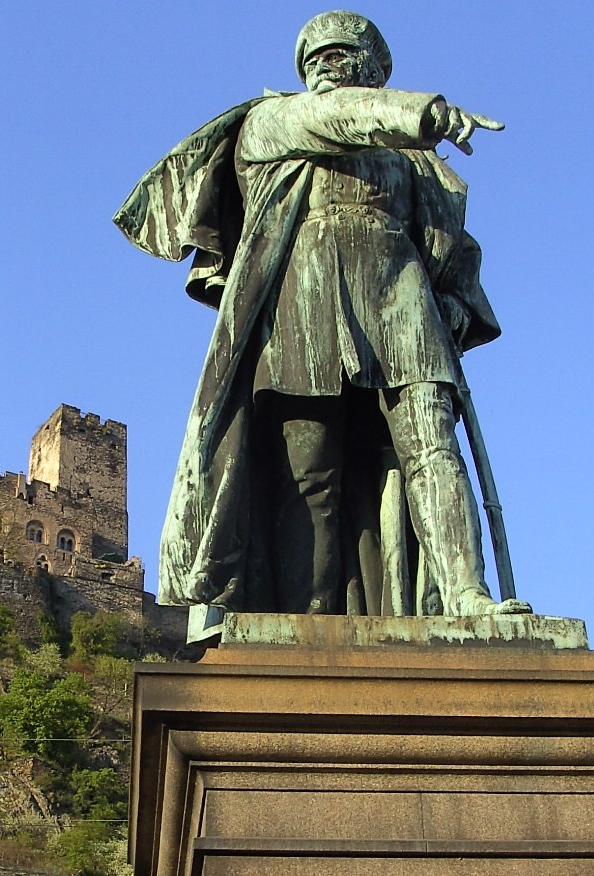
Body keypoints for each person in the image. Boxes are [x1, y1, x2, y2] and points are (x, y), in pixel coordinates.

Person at [115, 10, 531, 618]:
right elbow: (334, 117)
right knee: (308, 472)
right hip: (300, 306)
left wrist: (454, 301)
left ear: (373, 69)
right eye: (315, 57)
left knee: (433, 445)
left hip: (401, 299)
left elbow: (450, 249)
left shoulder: (419, 165)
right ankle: (303, 621)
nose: (325, 64)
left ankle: (467, 594)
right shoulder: (273, 121)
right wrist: (426, 112)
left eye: (340, 53)